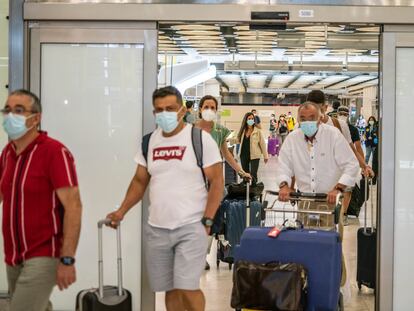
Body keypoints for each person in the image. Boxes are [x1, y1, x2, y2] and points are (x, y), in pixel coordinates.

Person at [106, 86, 223, 311]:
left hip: (191, 225)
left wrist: (207, 220)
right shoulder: (149, 142)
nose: (164, 114)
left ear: (182, 110)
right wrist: (121, 211)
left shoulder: (199, 139)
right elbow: (139, 181)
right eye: (159, 110)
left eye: (170, 108)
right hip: (157, 228)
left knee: (187, 287)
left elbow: (217, 182)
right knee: (170, 289)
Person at [0, 90, 82, 311]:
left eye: (19, 111)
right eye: (7, 110)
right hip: (14, 254)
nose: (10, 116)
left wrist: (67, 259)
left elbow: (74, 206)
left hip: (44, 253)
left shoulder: (54, 152)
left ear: (36, 118)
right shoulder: (8, 153)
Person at [276, 102, 360, 286]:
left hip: (329, 202)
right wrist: (284, 185)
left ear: (320, 118)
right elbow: (284, 164)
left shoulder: (333, 136)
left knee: (330, 245)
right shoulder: (293, 138)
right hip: (305, 201)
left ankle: (335, 284)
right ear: (298, 120)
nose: (307, 122)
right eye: (303, 119)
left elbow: (351, 165)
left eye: (311, 118)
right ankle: (307, 282)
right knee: (305, 244)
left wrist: (338, 188)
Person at [195, 95, 251, 270]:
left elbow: (227, 155)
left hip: (213, 181)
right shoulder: (190, 129)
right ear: (200, 109)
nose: (209, 110)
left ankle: (202, 256)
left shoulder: (219, 131)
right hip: (194, 181)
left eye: (213, 107)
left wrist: (241, 171)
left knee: (211, 220)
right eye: (206, 107)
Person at [306, 90, 373, 178]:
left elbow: (352, 150)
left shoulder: (340, 125)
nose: (316, 114)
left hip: (335, 181)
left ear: (325, 107)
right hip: (309, 182)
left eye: (319, 110)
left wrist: (365, 166)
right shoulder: (301, 127)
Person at [337, 106, 365, 225]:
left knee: (347, 189)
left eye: (345, 113)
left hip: (348, 163)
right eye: (341, 113)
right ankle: (335, 213)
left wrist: (363, 165)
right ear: (337, 114)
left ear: (348, 115)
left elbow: (358, 147)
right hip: (334, 163)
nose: (343, 115)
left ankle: (343, 214)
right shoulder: (332, 127)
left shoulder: (353, 129)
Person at [237, 112, 268, 185]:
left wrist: (265, 156)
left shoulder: (257, 131)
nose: (251, 120)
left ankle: (254, 190)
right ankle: (246, 190)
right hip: (243, 155)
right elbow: (238, 142)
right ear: (246, 120)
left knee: (253, 174)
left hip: (255, 155)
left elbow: (262, 144)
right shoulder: (242, 130)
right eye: (249, 118)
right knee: (245, 173)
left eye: (252, 119)